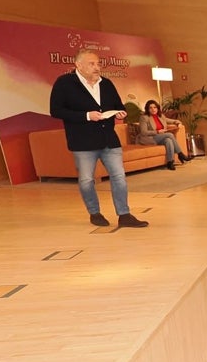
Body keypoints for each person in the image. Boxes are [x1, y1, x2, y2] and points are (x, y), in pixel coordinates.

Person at [48, 49, 148, 228]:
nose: (97, 67)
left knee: (119, 177)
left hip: (109, 139)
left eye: (98, 63)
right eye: (92, 64)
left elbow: (118, 105)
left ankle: (124, 215)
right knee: (86, 180)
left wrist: (120, 112)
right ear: (78, 65)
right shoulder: (64, 83)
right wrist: (86, 115)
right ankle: (94, 213)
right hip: (83, 142)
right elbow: (56, 111)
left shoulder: (106, 83)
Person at [137, 99, 188, 168]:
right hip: (149, 138)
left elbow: (173, 121)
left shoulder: (161, 116)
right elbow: (143, 132)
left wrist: (178, 123)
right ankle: (180, 154)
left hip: (160, 137)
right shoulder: (144, 118)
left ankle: (170, 162)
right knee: (170, 135)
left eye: (155, 107)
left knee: (168, 140)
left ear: (157, 108)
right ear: (147, 109)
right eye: (150, 108)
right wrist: (157, 132)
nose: (153, 109)